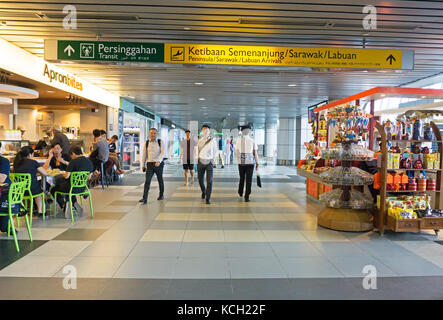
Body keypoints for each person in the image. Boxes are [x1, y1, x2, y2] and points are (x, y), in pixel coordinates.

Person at [50, 146, 94, 217]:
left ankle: (64, 205)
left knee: (54, 189)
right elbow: (89, 177)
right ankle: (74, 203)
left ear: (73, 153)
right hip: (82, 187)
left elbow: (67, 176)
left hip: (71, 188)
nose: (71, 157)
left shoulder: (73, 161)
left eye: (71, 155)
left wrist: (62, 173)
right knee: (67, 186)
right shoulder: (89, 161)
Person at [13, 146, 48, 217]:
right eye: (33, 154)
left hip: (19, 190)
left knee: (37, 188)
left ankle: (27, 208)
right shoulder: (33, 162)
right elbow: (45, 173)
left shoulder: (16, 163)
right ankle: (41, 211)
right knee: (40, 192)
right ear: (30, 154)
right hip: (31, 190)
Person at [139, 128, 165, 205]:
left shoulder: (160, 142)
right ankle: (144, 198)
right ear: (149, 134)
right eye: (151, 133)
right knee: (147, 181)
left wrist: (159, 161)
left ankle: (161, 195)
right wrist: (143, 164)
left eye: (154, 133)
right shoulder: (147, 143)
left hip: (158, 164)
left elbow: (163, 153)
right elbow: (144, 154)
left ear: (157, 134)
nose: (153, 134)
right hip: (150, 164)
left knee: (160, 180)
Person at [235, 125, 259, 202]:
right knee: (249, 179)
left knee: (242, 178)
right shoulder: (252, 140)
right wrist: (257, 162)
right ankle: (247, 196)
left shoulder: (238, 140)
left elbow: (236, 152)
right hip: (250, 162)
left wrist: (239, 159)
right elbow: (255, 153)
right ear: (249, 131)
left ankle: (240, 191)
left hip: (241, 162)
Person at [197, 124, 218, 205]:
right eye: (203, 130)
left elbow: (216, 151)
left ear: (209, 131)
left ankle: (208, 198)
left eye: (207, 130)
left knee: (209, 181)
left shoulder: (213, 140)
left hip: (209, 162)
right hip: (200, 162)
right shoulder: (199, 140)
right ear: (202, 131)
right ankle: (204, 191)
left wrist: (214, 160)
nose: (205, 131)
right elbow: (196, 151)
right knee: (200, 179)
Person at [0, 143, 13, 233]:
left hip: (4, 196)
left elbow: (2, 179)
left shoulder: (4, 161)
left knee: (4, 227)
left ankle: (6, 227)